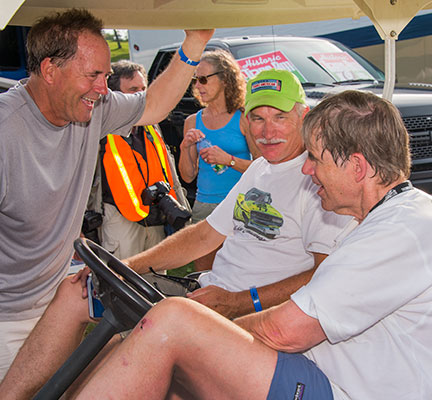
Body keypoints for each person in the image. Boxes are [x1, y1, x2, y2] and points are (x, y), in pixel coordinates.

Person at [0, 70, 353, 399]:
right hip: (205, 295)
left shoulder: (316, 179)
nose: (267, 131)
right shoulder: (262, 168)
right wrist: (128, 265)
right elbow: (203, 236)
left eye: (279, 118)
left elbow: (323, 275)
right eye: (258, 119)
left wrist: (240, 301)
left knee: (142, 337)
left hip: (243, 317)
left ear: (303, 116)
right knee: (77, 290)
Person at [74, 89, 432, 399]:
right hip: (321, 369)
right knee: (151, 351)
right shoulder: (388, 217)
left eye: (315, 159)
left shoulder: (399, 230)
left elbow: (284, 331)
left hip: (341, 390)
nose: (307, 171)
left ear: (357, 168)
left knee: (170, 324)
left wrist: (202, 335)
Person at [0, 7, 213, 380]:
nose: (103, 87)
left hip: (59, 300)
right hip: (7, 316)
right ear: (49, 70)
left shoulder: (93, 107)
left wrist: (194, 43)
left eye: (106, 74)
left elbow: (152, 105)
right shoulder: (6, 132)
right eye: (94, 75)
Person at [95, 60, 190, 259]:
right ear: (115, 95)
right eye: (132, 90)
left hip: (156, 217)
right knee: (122, 281)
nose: (140, 95)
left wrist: (180, 208)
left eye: (143, 89)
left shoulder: (152, 125)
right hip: (118, 217)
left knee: (157, 279)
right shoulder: (99, 127)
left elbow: (169, 170)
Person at [178, 49, 260, 270]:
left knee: (243, 273)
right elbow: (187, 176)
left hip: (240, 205)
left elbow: (263, 167)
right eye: (195, 80)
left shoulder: (243, 118)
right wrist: (185, 147)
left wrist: (229, 160)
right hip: (204, 207)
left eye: (203, 79)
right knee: (204, 276)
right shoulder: (192, 122)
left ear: (225, 79)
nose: (197, 86)